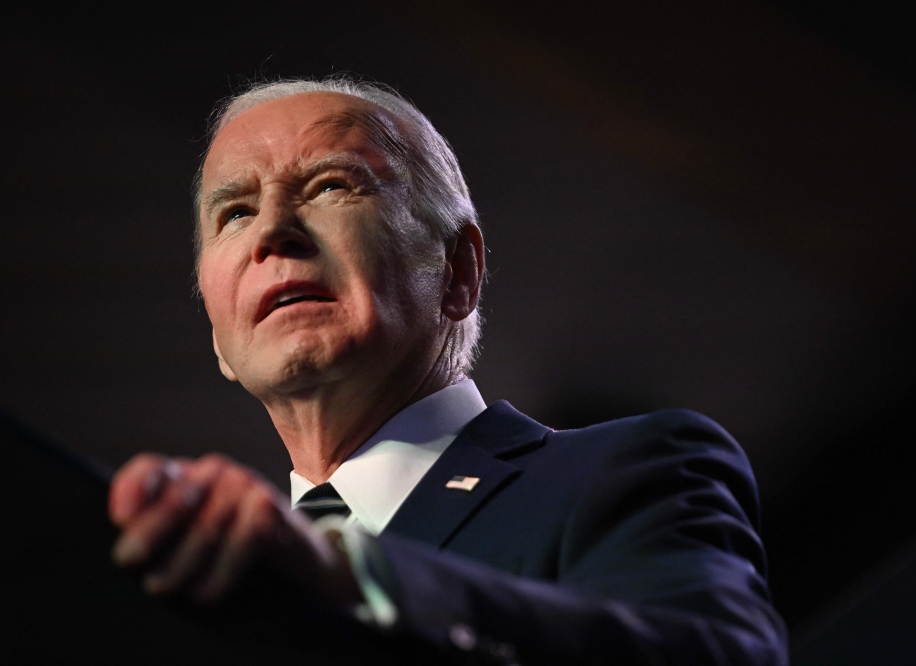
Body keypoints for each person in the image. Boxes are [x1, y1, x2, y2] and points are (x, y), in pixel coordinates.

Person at [108, 77, 788, 665]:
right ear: (220, 339)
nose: (271, 233)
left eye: (331, 186)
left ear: (457, 272)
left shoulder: (625, 473)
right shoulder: (198, 592)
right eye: (234, 212)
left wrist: (357, 574)